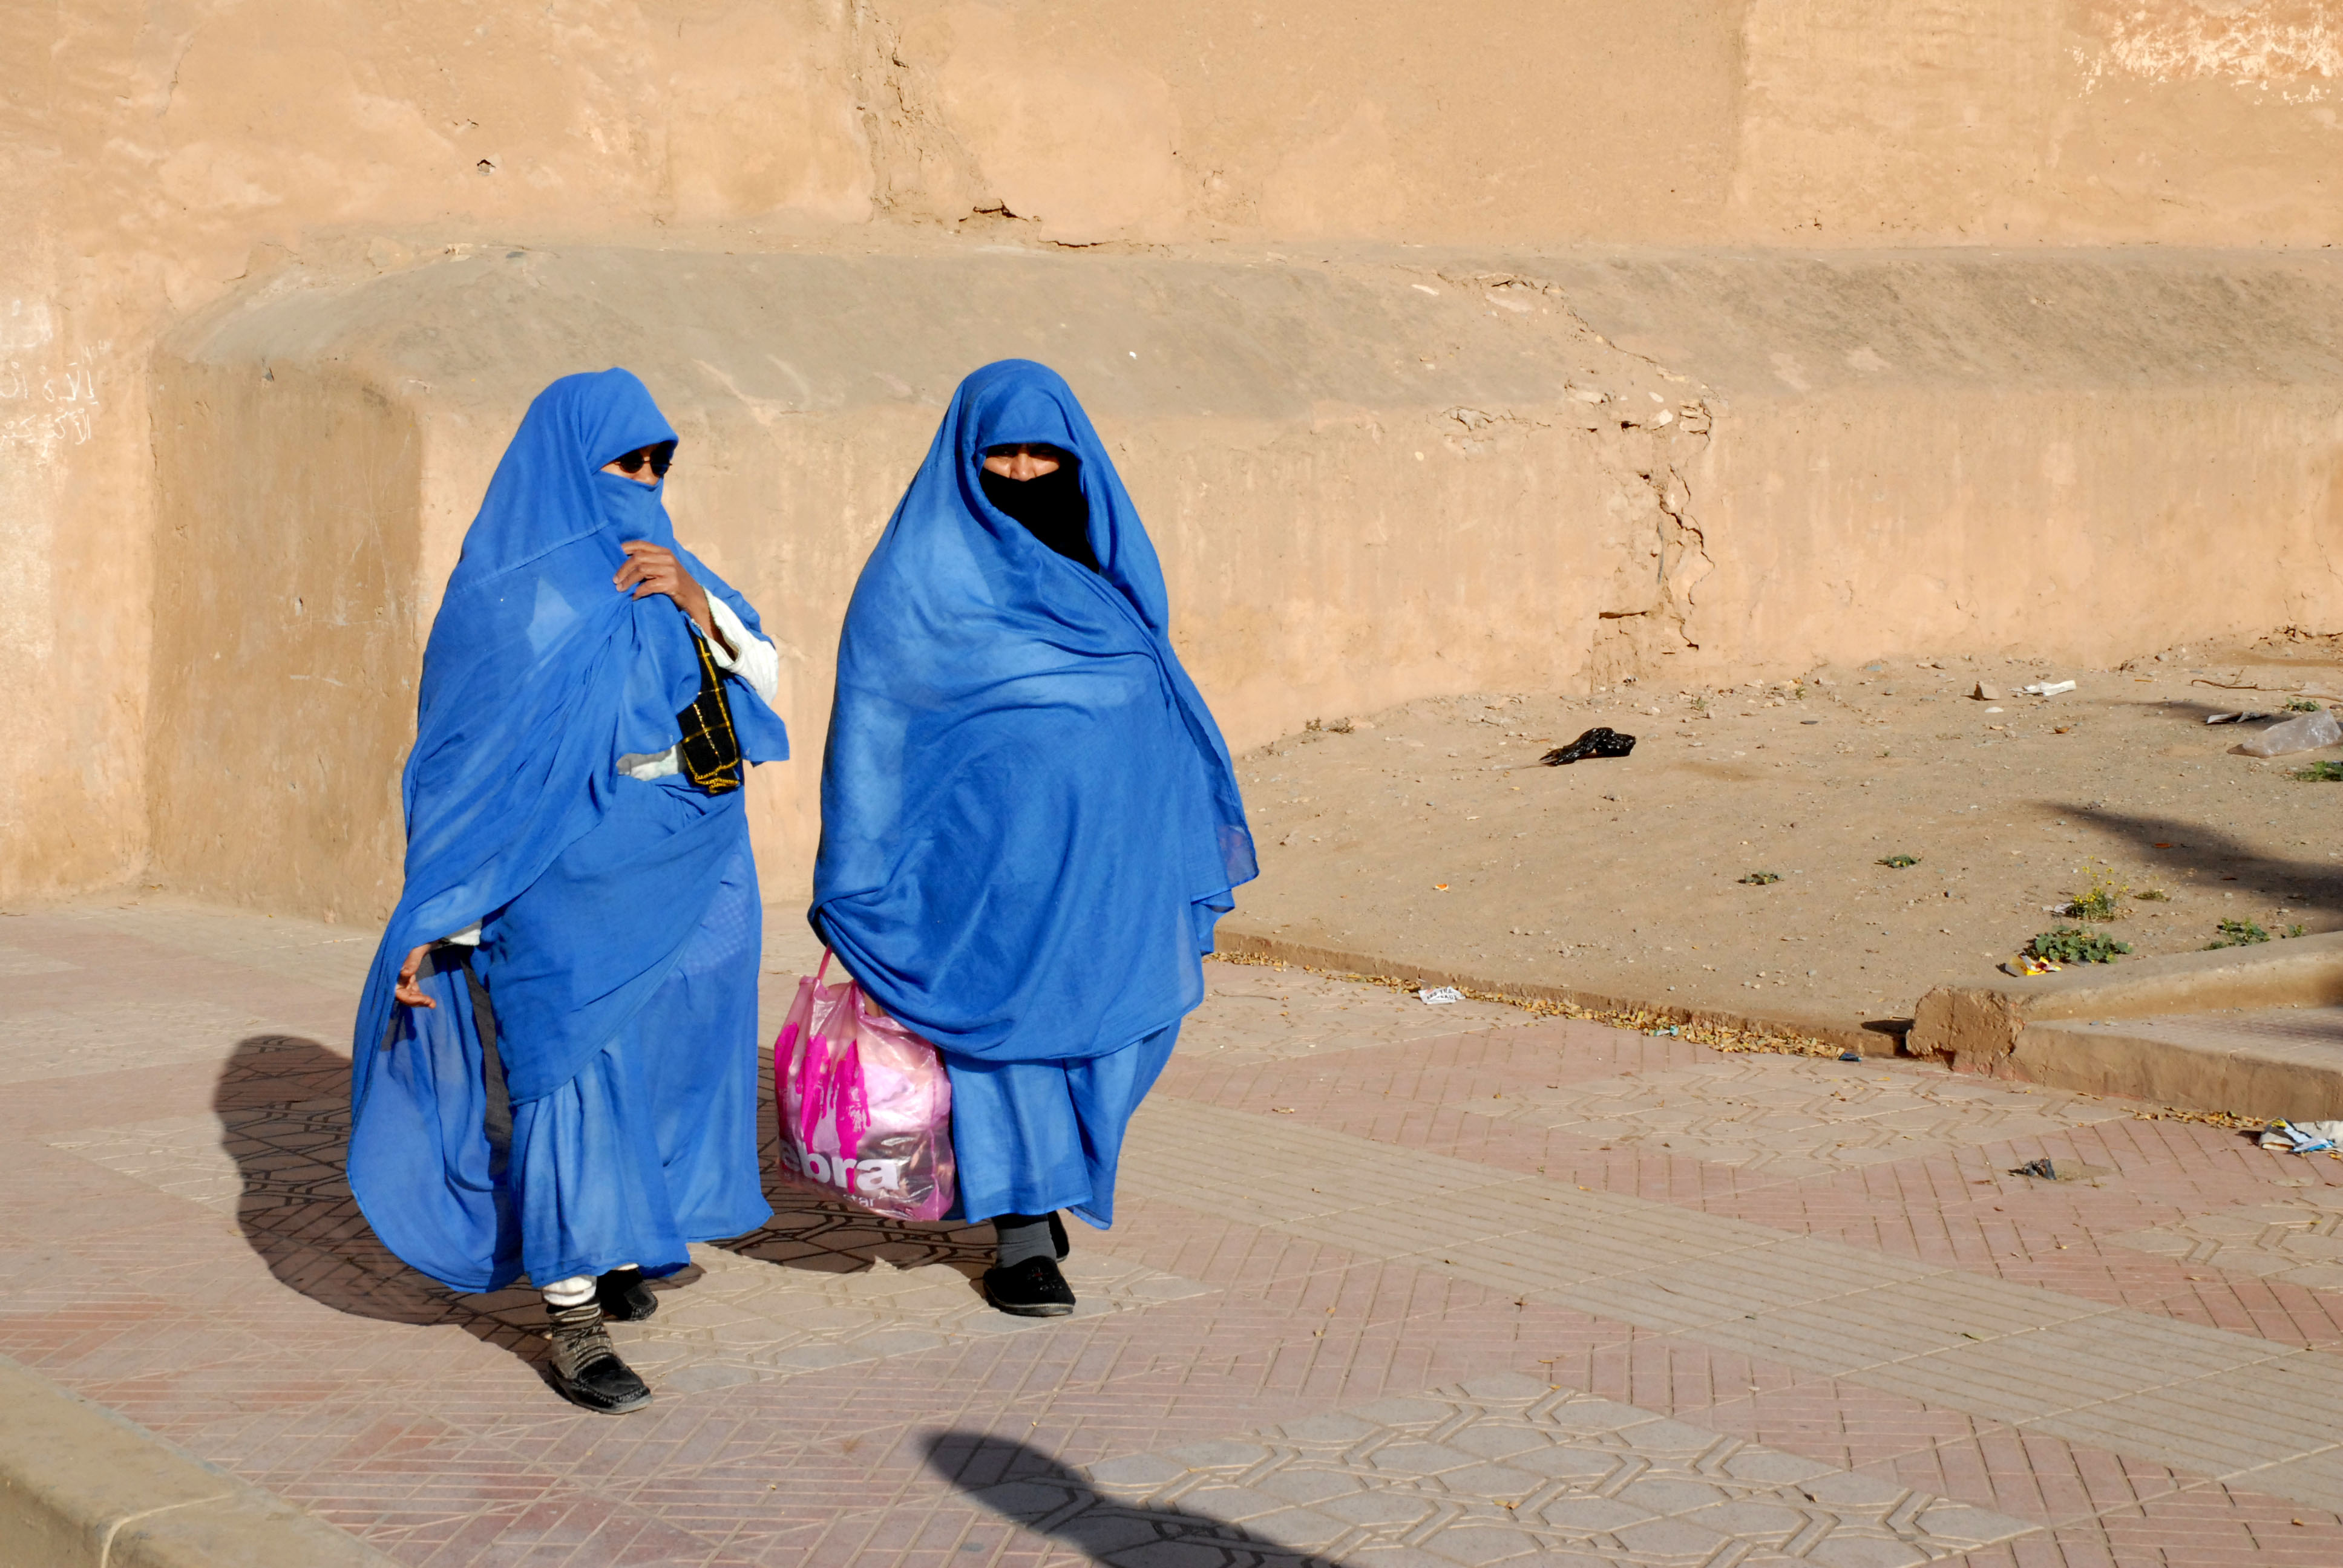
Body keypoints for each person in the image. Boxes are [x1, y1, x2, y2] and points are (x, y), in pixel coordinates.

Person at [347, 369, 790, 1413]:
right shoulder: (509, 594)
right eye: (622, 461)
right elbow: (468, 771)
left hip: (695, 845)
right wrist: (438, 918)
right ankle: (574, 1315)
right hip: (565, 868)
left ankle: (627, 1237)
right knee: (565, 1074)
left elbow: (763, 678)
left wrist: (694, 599)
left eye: (655, 464)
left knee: (678, 1052)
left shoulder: (674, 574)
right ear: (565, 462)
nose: (641, 480)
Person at [810, 359, 1256, 1316]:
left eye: (1041, 456)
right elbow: (878, 730)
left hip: (1108, 870)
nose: (1019, 474)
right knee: (1005, 1034)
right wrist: (867, 865)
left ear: (1077, 462)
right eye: (999, 454)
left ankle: (1048, 1178)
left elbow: (1156, 706)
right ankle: (1020, 1236)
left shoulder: (1107, 575)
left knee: (1119, 1024)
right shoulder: (916, 577)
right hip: (982, 875)